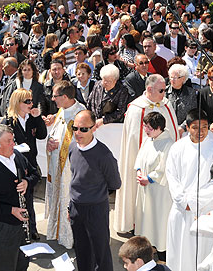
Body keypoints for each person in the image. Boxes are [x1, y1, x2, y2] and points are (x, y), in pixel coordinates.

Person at [114, 74, 178, 234]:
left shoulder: (166, 105)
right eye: (162, 90)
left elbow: (173, 135)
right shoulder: (136, 109)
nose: (165, 94)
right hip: (141, 168)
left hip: (160, 170)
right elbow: (133, 144)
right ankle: (134, 223)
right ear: (150, 89)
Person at [0, 124, 39, 271]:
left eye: (13, 139)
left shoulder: (17, 156)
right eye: (9, 141)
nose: (13, 144)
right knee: (5, 266)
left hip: (21, 226)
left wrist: (27, 182)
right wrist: (10, 210)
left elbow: (35, 174)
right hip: (3, 229)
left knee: (22, 263)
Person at [166, 109, 213, 271]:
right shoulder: (177, 148)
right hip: (181, 208)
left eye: (204, 127)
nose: (200, 132)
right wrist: (184, 201)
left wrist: (195, 201)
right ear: (188, 127)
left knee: (201, 254)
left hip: (204, 209)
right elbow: (172, 177)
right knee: (179, 252)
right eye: (195, 127)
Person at [68, 109, 121, 271]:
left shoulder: (104, 155)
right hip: (76, 208)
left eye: (83, 129)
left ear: (93, 128)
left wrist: (95, 194)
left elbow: (115, 183)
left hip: (96, 209)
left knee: (101, 252)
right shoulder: (72, 148)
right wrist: (71, 207)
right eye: (75, 128)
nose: (78, 132)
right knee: (82, 251)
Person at [1, 88, 47, 239]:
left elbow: (42, 135)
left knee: (29, 198)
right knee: (15, 198)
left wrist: (38, 118)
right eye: (27, 101)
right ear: (18, 103)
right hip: (13, 165)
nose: (31, 104)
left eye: (31, 101)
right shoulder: (8, 121)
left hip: (30, 164)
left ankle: (31, 228)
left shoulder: (32, 118)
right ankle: (18, 229)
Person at [45, 81, 85, 248]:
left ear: (66, 97)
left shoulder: (80, 115)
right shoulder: (61, 110)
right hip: (57, 165)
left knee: (69, 201)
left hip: (71, 168)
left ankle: (71, 237)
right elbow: (56, 134)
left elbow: (84, 142)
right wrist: (49, 144)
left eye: (55, 96)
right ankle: (57, 232)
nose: (53, 99)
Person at [134, 112, 175, 257]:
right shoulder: (148, 140)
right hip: (145, 188)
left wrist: (149, 179)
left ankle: (161, 252)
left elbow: (164, 169)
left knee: (157, 220)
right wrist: (139, 171)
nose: (145, 130)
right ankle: (147, 246)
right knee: (146, 218)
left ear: (159, 128)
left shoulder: (168, 144)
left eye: (148, 127)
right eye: (145, 126)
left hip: (159, 191)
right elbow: (140, 158)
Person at [166, 63, 198, 130]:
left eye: (175, 78)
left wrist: (183, 127)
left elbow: (193, 113)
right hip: (167, 128)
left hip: (185, 130)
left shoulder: (191, 93)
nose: (172, 80)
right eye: (171, 77)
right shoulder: (164, 91)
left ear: (183, 78)